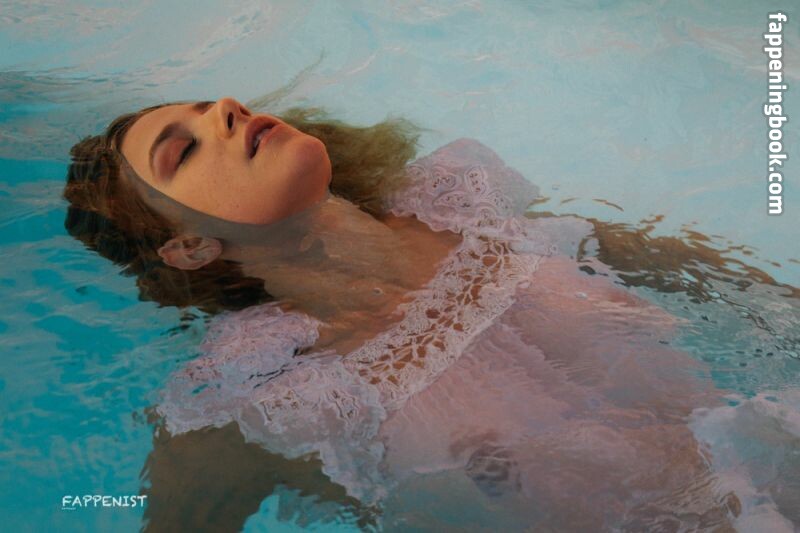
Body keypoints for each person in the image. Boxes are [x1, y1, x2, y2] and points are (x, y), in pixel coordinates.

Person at [64, 98, 745, 530]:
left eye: (215, 104)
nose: (226, 110)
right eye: (183, 151)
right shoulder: (266, 396)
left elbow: (741, 295)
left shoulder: (467, 206)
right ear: (189, 247)